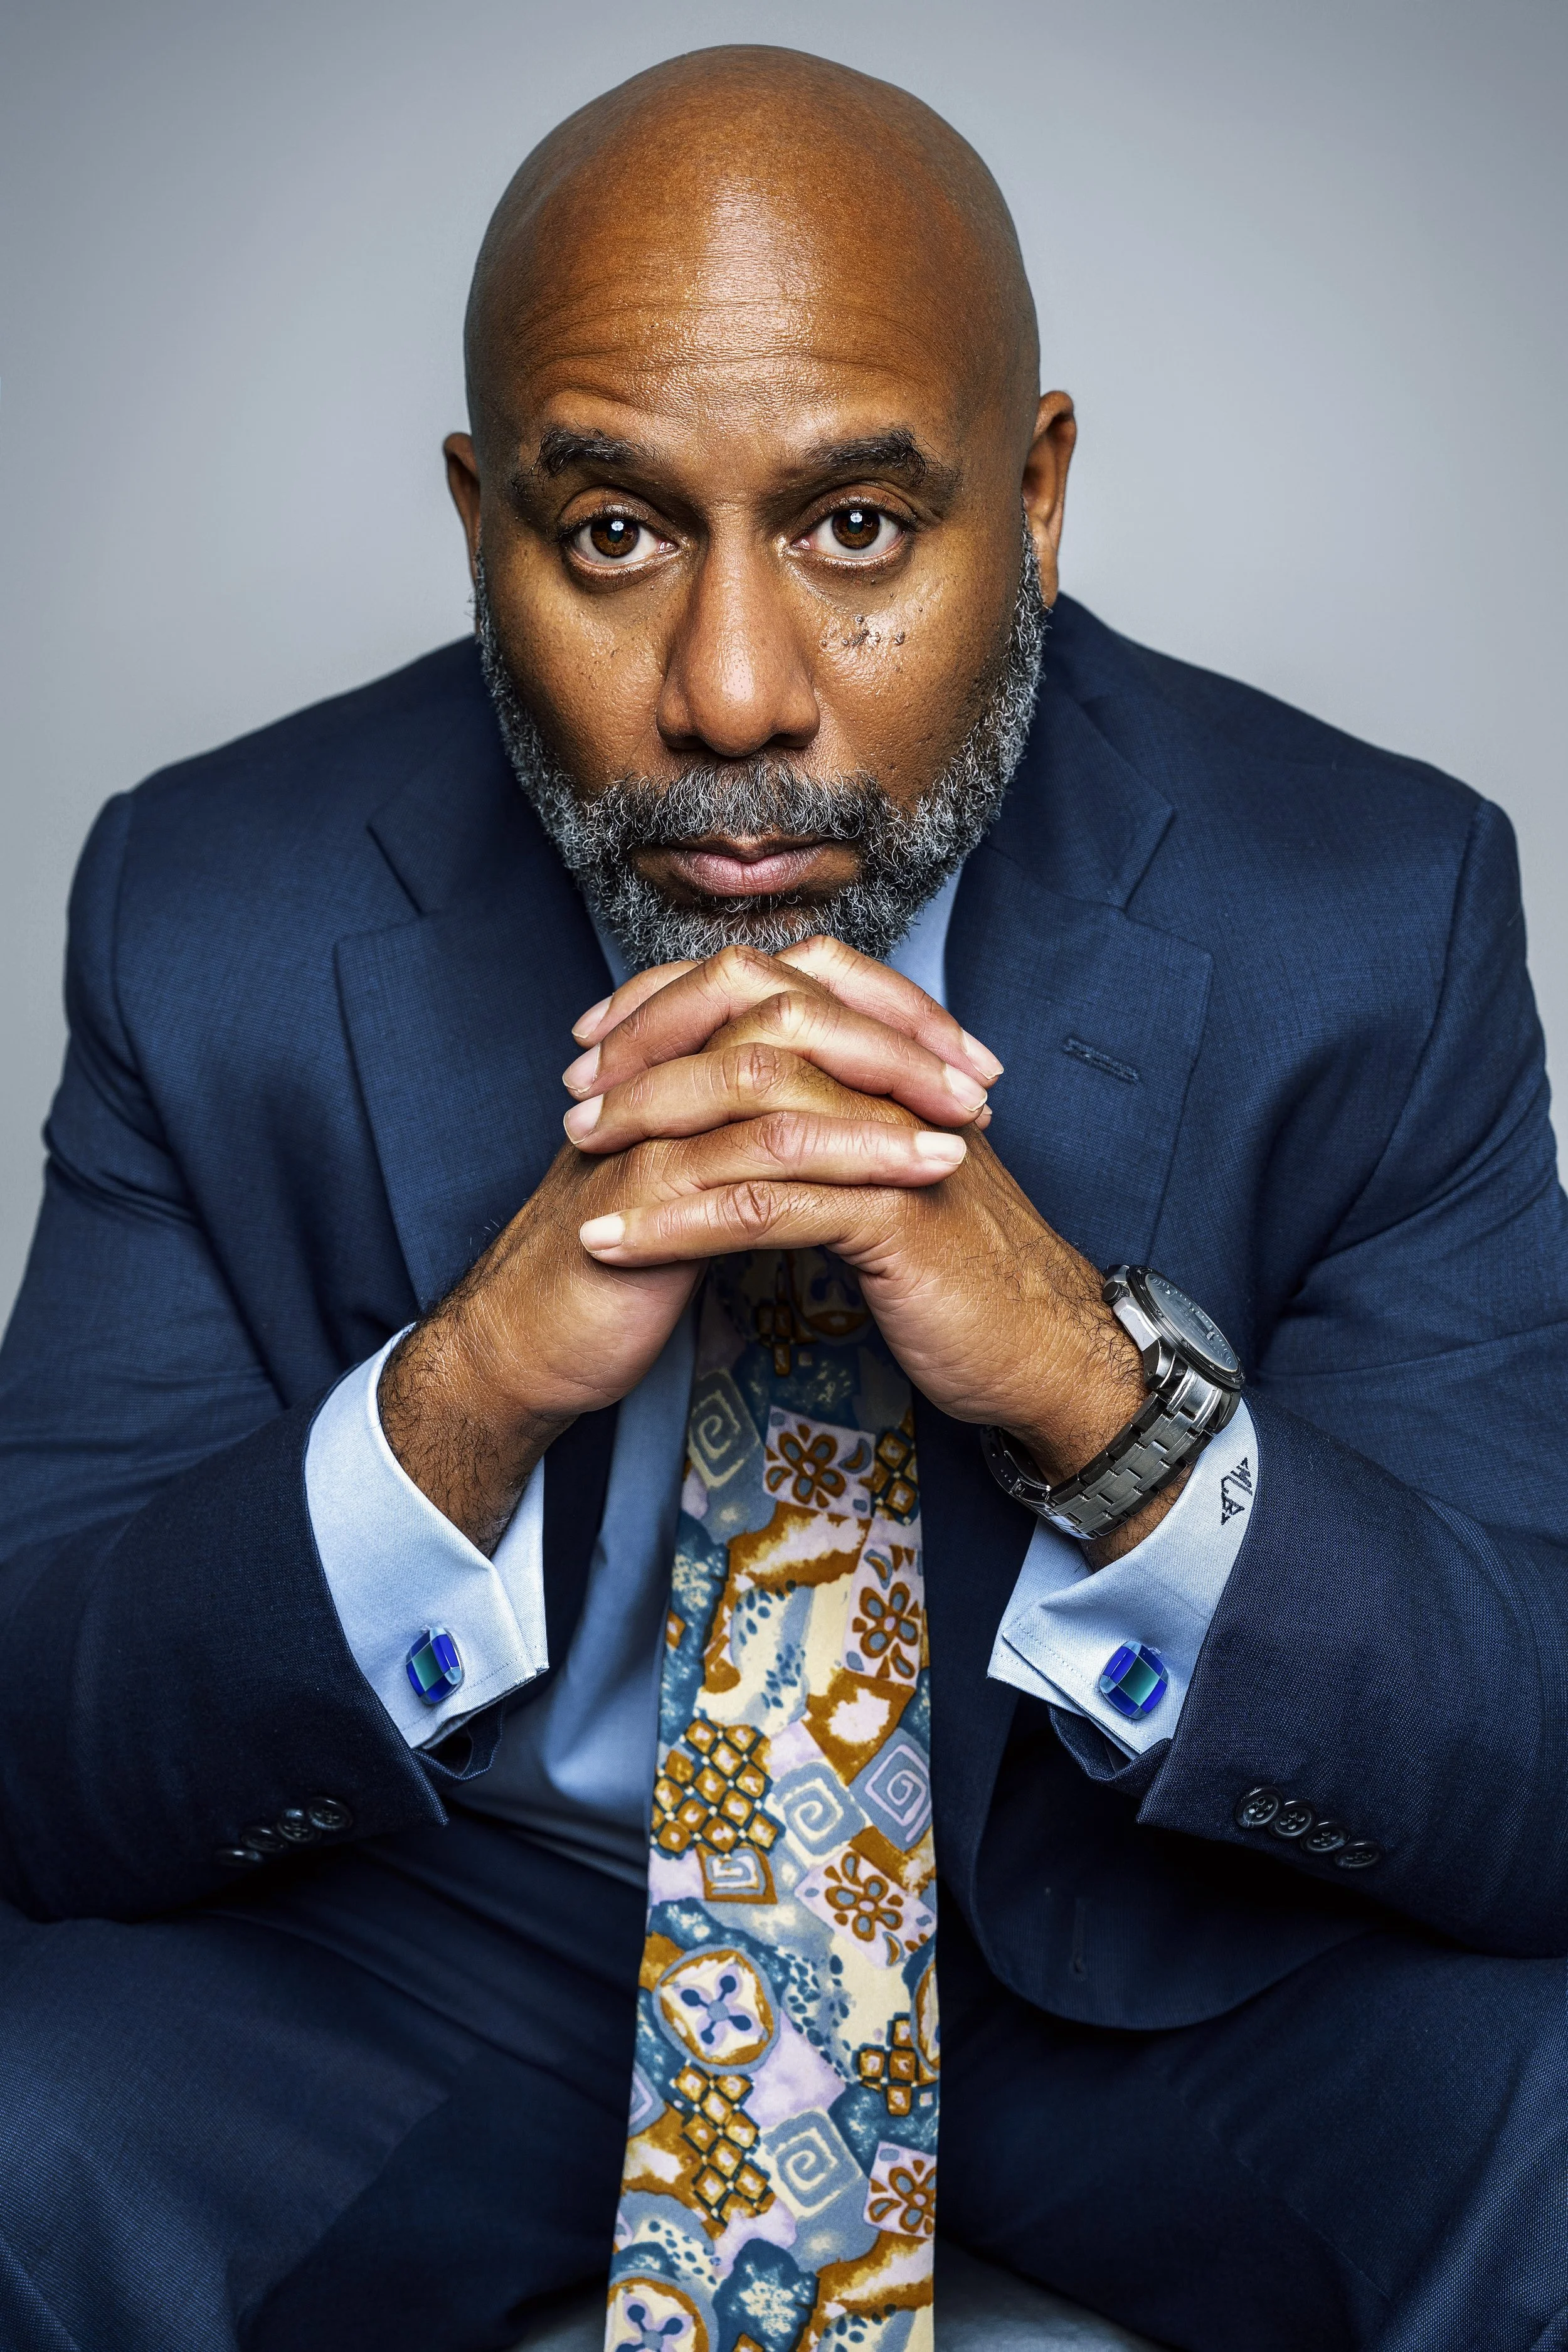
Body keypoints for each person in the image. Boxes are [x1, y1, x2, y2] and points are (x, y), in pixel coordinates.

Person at [1, 40, 1565, 2352]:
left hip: (1143, 1973)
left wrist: (1087, 1396)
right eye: (615, 533)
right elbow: (39, 1753)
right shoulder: (204, 907)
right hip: (456, 1958)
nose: (732, 696)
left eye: (853, 528)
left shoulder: (1367, 905)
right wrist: (456, 1400)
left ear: (1031, 500)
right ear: (477, 526)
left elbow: (1531, 1767)